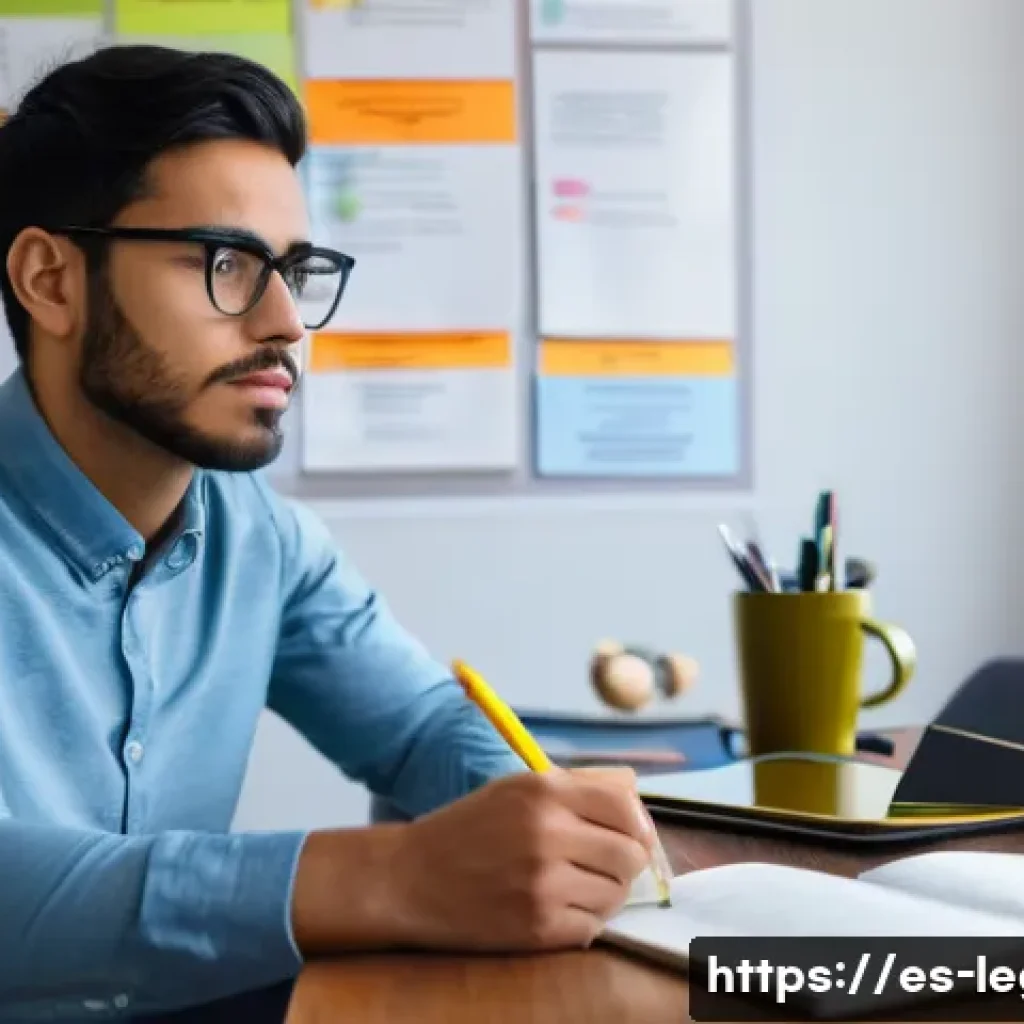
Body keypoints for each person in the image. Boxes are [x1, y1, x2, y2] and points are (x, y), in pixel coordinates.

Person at [0, 44, 658, 1021]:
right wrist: (389, 876)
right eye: (225, 263)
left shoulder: (261, 539)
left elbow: (425, 724)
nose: (285, 322)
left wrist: (540, 823)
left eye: (295, 270)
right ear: (52, 281)